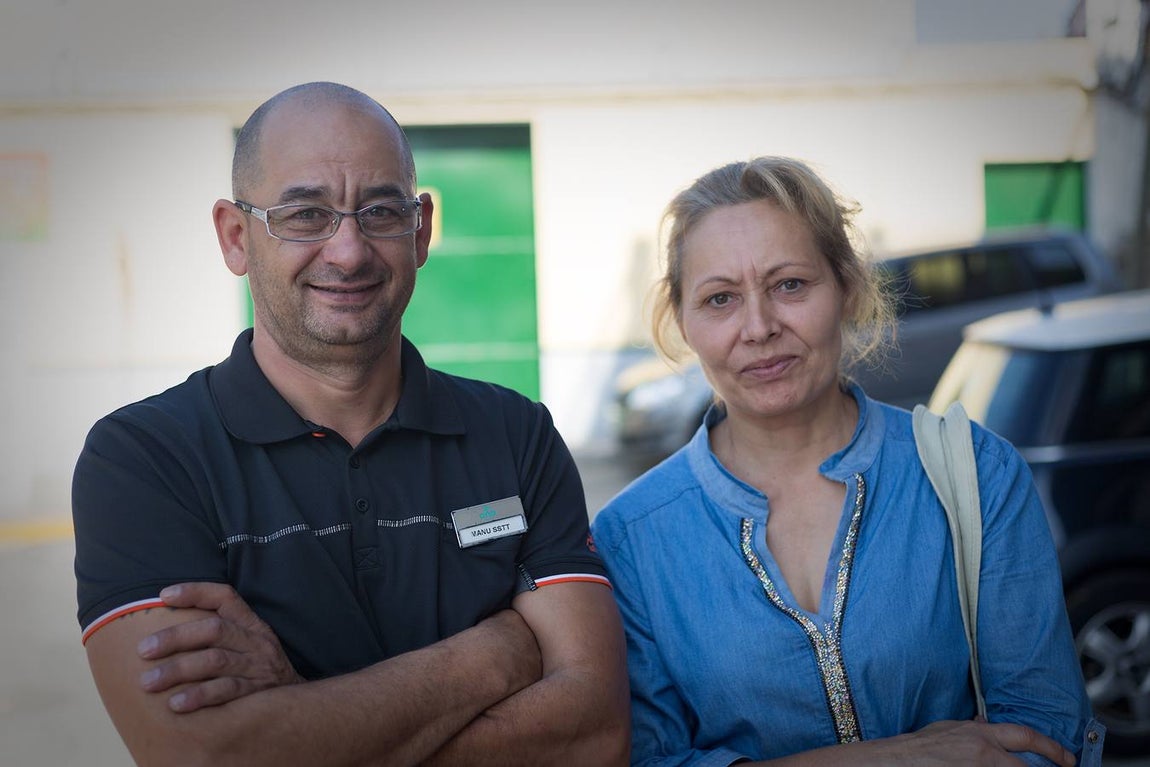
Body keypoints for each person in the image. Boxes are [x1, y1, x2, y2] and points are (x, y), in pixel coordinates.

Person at [72, 81, 629, 767]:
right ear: (236, 236)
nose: (349, 250)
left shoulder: (515, 434)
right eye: (305, 214)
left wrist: (305, 718)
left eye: (380, 210)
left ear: (419, 230)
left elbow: (593, 731)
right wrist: (493, 654)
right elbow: (204, 754)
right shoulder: (145, 459)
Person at [589, 156, 1105, 766]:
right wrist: (900, 757)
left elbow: (1046, 740)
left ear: (848, 287)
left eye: (790, 285)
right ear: (683, 321)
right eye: (720, 299)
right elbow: (648, 759)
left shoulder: (974, 474)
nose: (758, 328)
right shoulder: (631, 538)